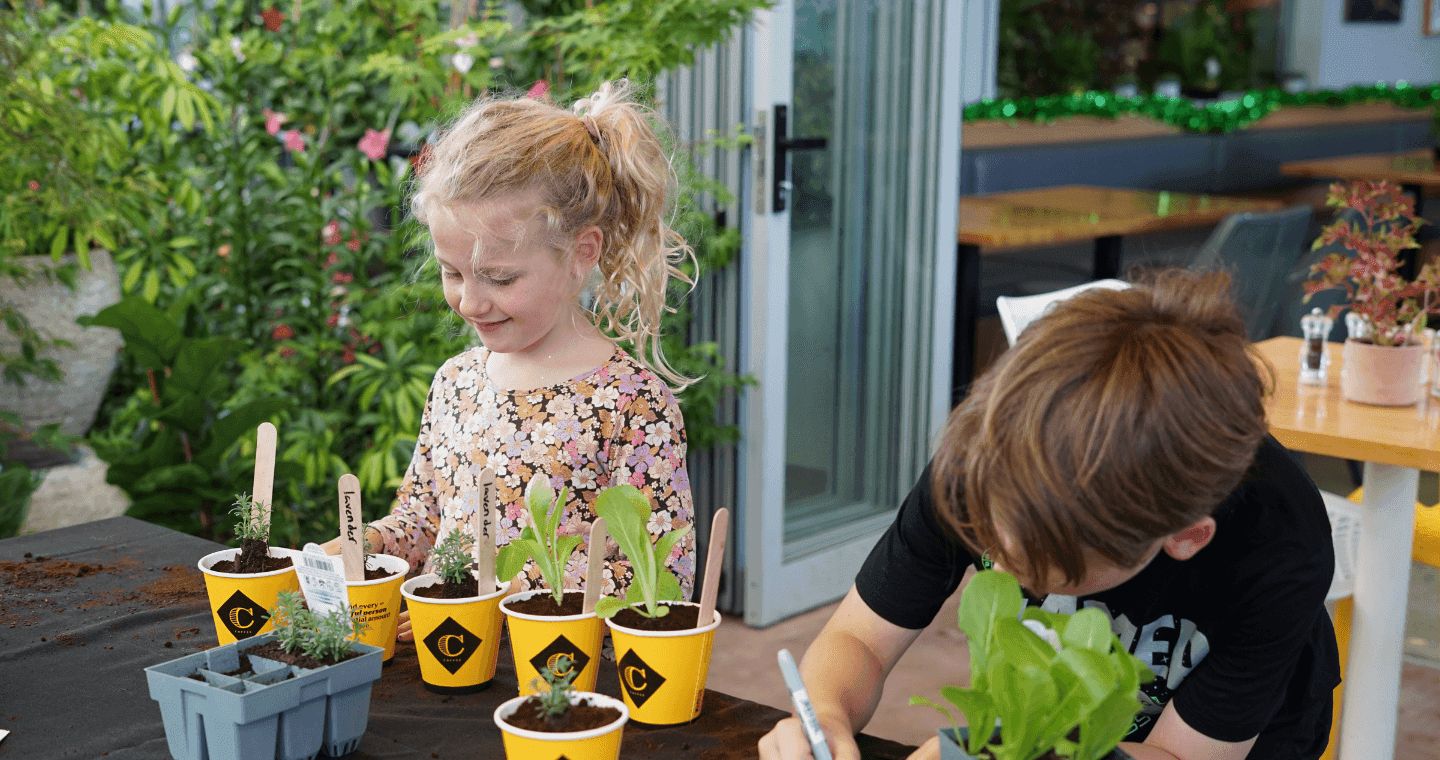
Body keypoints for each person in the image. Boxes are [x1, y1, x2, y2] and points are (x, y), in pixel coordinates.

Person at [759, 269, 1340, 760]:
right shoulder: (986, 462)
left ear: (1184, 538)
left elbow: (1178, 754)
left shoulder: (1281, 547)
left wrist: (985, 751)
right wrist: (826, 716)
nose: (1002, 575)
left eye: (1041, 566)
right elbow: (860, 637)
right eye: (989, 541)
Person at [323, 80, 697, 642]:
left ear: (581, 253)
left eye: (499, 277)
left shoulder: (633, 403)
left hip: (563, 685)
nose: (469, 301)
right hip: (447, 663)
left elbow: (662, 581)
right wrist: (362, 543)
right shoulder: (457, 381)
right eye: (452, 272)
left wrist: (503, 598)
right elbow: (422, 519)